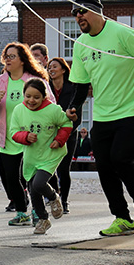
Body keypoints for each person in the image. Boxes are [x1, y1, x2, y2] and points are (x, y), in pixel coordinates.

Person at [66, 0, 134, 237]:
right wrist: (73, 108)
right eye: (75, 13)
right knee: (105, 167)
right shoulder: (80, 45)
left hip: (132, 112)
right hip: (102, 116)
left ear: (98, 11)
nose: (78, 16)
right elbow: (80, 85)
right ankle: (122, 218)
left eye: (82, 11)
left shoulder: (122, 33)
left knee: (121, 158)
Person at [0, 42, 54, 226]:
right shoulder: (0, 81)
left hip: (31, 138)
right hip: (8, 138)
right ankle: (22, 212)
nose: (7, 59)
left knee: (29, 176)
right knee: (11, 178)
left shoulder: (34, 81)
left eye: (12, 56)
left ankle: (38, 212)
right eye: (5, 56)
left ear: (22, 60)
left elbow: (51, 104)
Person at [11, 78, 75, 234]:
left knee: (39, 184)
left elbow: (67, 124)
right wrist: (25, 137)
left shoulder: (53, 110)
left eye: (36, 97)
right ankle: (43, 219)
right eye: (28, 96)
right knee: (32, 189)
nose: (31, 100)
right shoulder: (19, 110)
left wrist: (59, 140)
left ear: (44, 97)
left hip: (49, 154)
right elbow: (13, 132)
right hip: (32, 156)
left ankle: (54, 198)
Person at [47, 57, 82, 213]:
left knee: (63, 169)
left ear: (63, 69)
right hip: (48, 135)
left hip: (69, 134)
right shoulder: (46, 88)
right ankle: (55, 197)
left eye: (54, 66)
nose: (51, 69)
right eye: (49, 67)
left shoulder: (73, 89)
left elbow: (77, 117)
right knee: (49, 169)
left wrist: (66, 133)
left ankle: (65, 201)